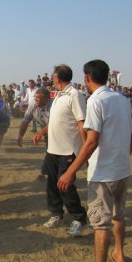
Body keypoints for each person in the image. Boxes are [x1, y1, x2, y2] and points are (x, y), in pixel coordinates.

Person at [56, 60, 132, 262]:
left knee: (101, 222)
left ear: (87, 78)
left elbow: (91, 142)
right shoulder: (123, 100)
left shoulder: (96, 101)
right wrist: (125, 157)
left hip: (103, 172)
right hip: (122, 168)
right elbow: (130, 134)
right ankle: (119, 253)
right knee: (119, 214)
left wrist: (71, 170)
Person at [34, 65, 88, 236]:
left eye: (53, 75)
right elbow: (56, 120)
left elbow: (82, 124)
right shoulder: (58, 95)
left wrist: (85, 151)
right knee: (51, 185)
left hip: (68, 150)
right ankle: (56, 214)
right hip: (53, 150)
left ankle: (80, 218)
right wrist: (42, 132)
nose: (52, 78)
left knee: (65, 186)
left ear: (57, 77)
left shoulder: (75, 95)